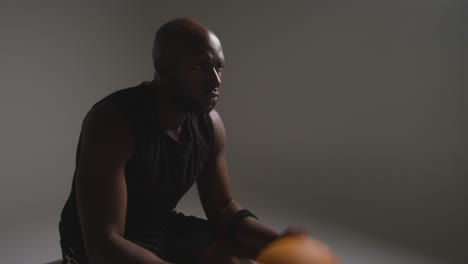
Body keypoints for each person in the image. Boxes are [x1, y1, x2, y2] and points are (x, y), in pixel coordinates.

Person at [59, 18, 306, 264]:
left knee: (242, 257)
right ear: (162, 66)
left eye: (218, 67)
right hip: (95, 248)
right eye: (200, 66)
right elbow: (105, 245)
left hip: (159, 229)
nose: (215, 81)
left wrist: (282, 243)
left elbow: (222, 208)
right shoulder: (112, 123)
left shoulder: (211, 125)